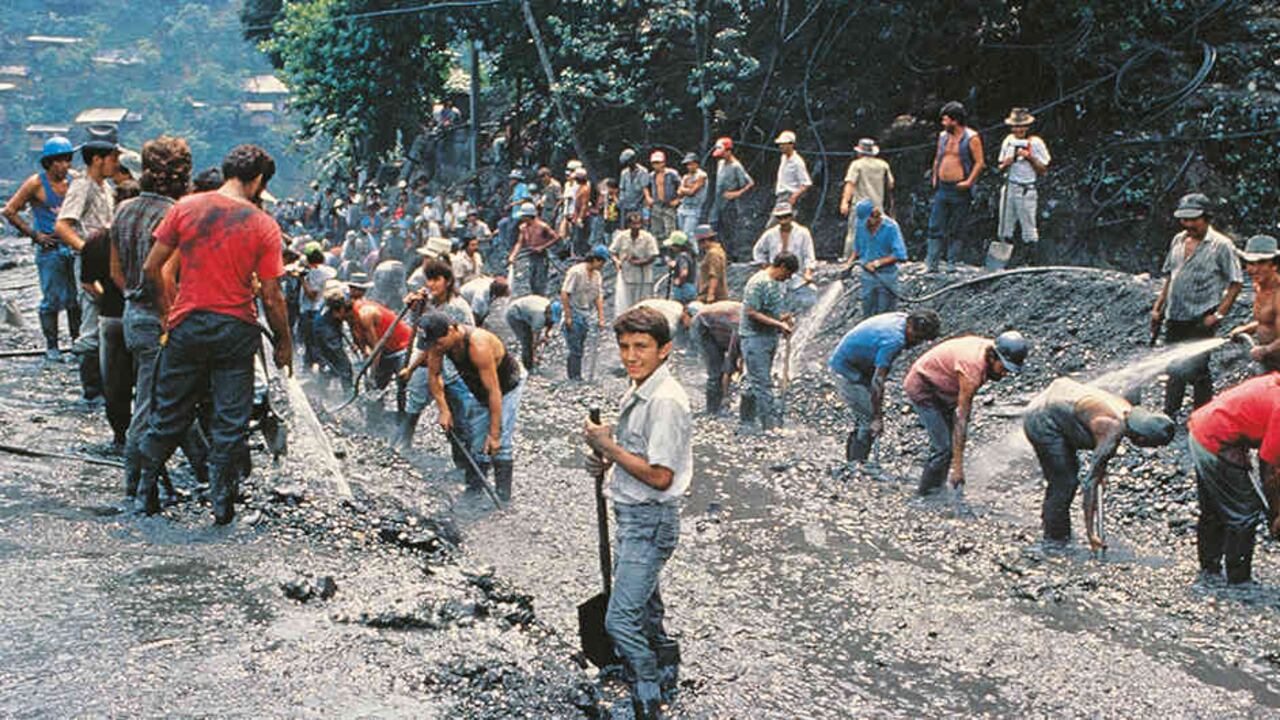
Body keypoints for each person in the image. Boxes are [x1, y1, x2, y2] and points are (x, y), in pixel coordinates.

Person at [133, 144, 292, 523]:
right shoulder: (262, 224)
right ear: (257, 181)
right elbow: (271, 295)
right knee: (229, 420)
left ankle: (144, 495)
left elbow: (152, 269)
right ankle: (222, 505)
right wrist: (284, 341)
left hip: (188, 325)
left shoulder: (185, 207)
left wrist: (166, 316)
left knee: (168, 412)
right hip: (236, 329)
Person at [583, 306, 692, 719]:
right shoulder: (640, 387)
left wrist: (608, 448)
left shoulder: (665, 401)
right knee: (646, 604)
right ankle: (666, 665)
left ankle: (647, 691)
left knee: (620, 621)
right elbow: (641, 452)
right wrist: (607, 459)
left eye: (642, 347)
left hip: (650, 518)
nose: (631, 356)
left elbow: (662, 476)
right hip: (633, 514)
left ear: (664, 350)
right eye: (625, 346)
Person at [110, 136, 207, 500]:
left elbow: (116, 271)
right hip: (160, 317)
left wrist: (134, 297)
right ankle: (134, 490)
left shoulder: (124, 209)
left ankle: (204, 470)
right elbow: (164, 273)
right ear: (183, 174)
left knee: (172, 398)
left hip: (132, 313)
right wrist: (168, 314)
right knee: (150, 408)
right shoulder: (177, 214)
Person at [1024, 378, 1174, 548]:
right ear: (1140, 438)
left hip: (1059, 403)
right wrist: (1091, 534)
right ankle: (1054, 540)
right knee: (1064, 482)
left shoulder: (1128, 410)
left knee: (1069, 472)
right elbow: (1090, 483)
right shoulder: (1112, 427)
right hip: (1041, 419)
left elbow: (1099, 465)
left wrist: (1101, 469)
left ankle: (1056, 531)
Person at [403, 312, 525, 501]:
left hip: (506, 386)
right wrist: (444, 410)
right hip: (478, 387)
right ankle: (474, 488)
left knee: (500, 440)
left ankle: (503, 496)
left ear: (452, 330)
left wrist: (493, 435)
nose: (435, 349)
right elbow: (434, 376)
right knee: (476, 437)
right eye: (432, 345)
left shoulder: (479, 346)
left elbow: (495, 392)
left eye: (438, 343)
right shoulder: (438, 343)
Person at [1150, 193, 1243, 417]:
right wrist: (1158, 307)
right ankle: (1169, 412)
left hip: (1202, 317)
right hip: (1175, 315)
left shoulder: (1221, 245)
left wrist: (1218, 315)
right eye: (1184, 219)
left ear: (1207, 217)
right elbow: (1171, 276)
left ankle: (1202, 415)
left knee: (1198, 369)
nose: (1188, 224)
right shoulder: (1178, 240)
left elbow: (1236, 283)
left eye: (1194, 219)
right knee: (1173, 365)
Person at [903, 331, 1028, 496]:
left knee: (948, 442)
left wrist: (957, 463)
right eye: (1004, 368)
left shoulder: (993, 349)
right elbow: (962, 420)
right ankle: (926, 495)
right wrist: (958, 469)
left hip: (944, 387)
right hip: (924, 387)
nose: (1005, 374)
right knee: (943, 448)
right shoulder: (972, 371)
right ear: (993, 357)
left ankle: (939, 487)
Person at [1187, 373, 1280, 585]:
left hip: (1201, 428)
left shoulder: (1273, 381)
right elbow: (1269, 467)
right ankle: (1239, 582)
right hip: (1217, 441)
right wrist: (1276, 512)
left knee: (1213, 508)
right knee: (1244, 512)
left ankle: (1209, 569)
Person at [55, 125, 122, 405]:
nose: (116, 164)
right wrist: (89, 251)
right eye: (113, 158)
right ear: (98, 159)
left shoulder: (105, 188)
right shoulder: (82, 186)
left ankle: (105, 386)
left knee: (105, 316)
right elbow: (62, 226)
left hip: (106, 260)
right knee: (92, 324)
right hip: (90, 262)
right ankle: (91, 391)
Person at [828, 310, 941, 463]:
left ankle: (856, 459)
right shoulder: (894, 341)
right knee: (868, 420)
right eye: (917, 338)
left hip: (859, 366)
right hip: (845, 370)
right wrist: (877, 417)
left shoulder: (902, 318)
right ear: (911, 327)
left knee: (866, 413)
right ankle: (856, 465)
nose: (916, 343)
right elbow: (878, 382)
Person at [2, 135, 78, 361]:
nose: (64, 166)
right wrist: (35, 235)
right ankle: (52, 345)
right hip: (50, 248)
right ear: (49, 163)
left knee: (75, 298)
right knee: (52, 298)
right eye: (59, 161)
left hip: (72, 244)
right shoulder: (36, 183)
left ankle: (77, 342)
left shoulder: (74, 181)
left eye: (67, 160)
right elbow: (9, 211)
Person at [400, 259, 477, 463]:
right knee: (414, 400)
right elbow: (420, 330)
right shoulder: (430, 302)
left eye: (437, 280)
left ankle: (463, 462)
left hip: (452, 369)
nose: (432, 284)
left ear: (448, 281)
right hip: (427, 360)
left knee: (457, 416)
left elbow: (467, 338)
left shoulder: (458, 307)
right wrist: (414, 309)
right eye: (429, 280)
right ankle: (402, 444)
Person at [328, 285, 413, 417]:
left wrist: (371, 373)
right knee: (375, 386)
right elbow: (360, 340)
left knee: (402, 384)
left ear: (343, 309)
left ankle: (403, 419)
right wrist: (364, 352)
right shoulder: (349, 318)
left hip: (401, 346)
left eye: (335, 311)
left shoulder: (365, 314)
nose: (334, 315)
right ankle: (374, 419)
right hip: (384, 349)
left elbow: (376, 349)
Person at [738, 253, 798, 431]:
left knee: (754, 379)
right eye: (788, 273)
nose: (788, 278)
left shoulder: (774, 285)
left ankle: (746, 420)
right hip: (754, 338)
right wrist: (779, 324)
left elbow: (770, 311)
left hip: (768, 337)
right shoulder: (759, 282)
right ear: (781, 266)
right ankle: (769, 426)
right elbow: (751, 312)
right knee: (762, 383)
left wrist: (784, 318)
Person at [927, 101, 985, 272]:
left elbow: (980, 162)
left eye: (946, 120)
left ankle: (953, 261)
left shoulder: (971, 137)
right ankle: (932, 263)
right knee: (935, 223)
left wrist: (969, 182)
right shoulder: (943, 137)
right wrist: (934, 176)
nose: (943, 124)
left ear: (955, 120)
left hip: (960, 188)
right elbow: (938, 157)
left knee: (957, 225)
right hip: (943, 187)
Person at [996, 108, 1051, 265]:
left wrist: (1030, 157)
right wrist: (1008, 161)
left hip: (1026, 189)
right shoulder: (1008, 141)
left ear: (1027, 126)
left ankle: (1031, 262)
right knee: (1004, 227)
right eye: (1015, 126)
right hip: (1009, 187)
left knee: (1028, 227)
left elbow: (1043, 169)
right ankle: (1003, 263)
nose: (1019, 129)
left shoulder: (1036, 143)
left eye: (1022, 126)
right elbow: (1000, 167)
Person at [844, 199, 908, 317]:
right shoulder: (860, 224)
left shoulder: (891, 227)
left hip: (887, 277)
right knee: (868, 310)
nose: (866, 223)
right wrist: (849, 264)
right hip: (867, 276)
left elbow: (900, 254)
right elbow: (857, 248)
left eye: (869, 219)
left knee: (885, 314)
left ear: (875, 214)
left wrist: (877, 263)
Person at [752, 203, 816, 313]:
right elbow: (758, 251)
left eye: (786, 216)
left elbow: (809, 255)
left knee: (805, 302)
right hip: (776, 278)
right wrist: (766, 267)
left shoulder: (802, 233)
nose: (783, 220)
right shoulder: (770, 234)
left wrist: (808, 272)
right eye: (780, 217)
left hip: (797, 277)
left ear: (791, 216)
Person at [1228, 235, 1280, 371]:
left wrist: (1266, 349)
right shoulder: (1259, 287)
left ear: (1274, 265)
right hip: (1270, 363)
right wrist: (1246, 329)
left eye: (1261, 263)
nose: (1254, 269)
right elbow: (1267, 321)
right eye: (1250, 263)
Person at [839, 138, 895, 258]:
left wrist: (845, 202)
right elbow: (890, 184)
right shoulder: (883, 165)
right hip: (877, 206)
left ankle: (848, 259)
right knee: (877, 232)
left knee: (854, 233)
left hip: (860, 205)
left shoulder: (856, 165)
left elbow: (850, 184)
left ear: (860, 152)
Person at [561, 245, 609, 381]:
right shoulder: (576, 272)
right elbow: (565, 293)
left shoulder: (597, 275)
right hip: (574, 311)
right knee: (574, 347)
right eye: (602, 262)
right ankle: (574, 377)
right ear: (595, 259)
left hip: (585, 312)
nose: (602, 266)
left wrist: (601, 317)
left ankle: (577, 375)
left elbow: (598, 296)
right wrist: (568, 316)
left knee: (580, 345)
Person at [688, 299, 742, 415]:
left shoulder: (750, 322)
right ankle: (712, 410)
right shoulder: (740, 329)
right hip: (702, 325)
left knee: (723, 369)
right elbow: (730, 365)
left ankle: (717, 404)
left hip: (717, 325)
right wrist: (726, 396)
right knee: (716, 371)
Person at [609, 211, 659, 315]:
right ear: (628, 225)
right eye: (633, 224)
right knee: (626, 303)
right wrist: (617, 261)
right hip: (627, 276)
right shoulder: (622, 236)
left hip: (644, 277)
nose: (636, 226)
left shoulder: (648, 237)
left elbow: (653, 255)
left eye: (638, 224)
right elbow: (612, 251)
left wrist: (639, 262)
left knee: (643, 304)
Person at [708, 137, 753, 250]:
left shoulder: (736, 166)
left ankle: (731, 256)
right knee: (713, 226)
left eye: (722, 153)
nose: (721, 156)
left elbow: (750, 183)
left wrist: (737, 193)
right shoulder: (720, 163)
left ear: (728, 151)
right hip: (718, 201)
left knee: (728, 230)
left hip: (730, 203)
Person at [506, 202, 560, 297]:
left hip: (541, 256)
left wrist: (542, 247)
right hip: (531, 255)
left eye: (523, 216)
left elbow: (556, 237)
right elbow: (519, 242)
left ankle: (541, 298)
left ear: (529, 216)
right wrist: (513, 255)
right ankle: (535, 297)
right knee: (532, 279)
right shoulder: (523, 227)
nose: (522, 218)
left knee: (540, 280)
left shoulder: (542, 226)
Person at [300, 244, 338, 372]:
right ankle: (310, 364)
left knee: (312, 341)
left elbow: (311, 295)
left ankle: (320, 368)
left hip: (312, 310)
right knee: (315, 341)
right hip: (321, 308)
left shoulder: (316, 273)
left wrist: (303, 281)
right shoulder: (325, 270)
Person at [505, 295, 561, 371]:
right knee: (527, 341)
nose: (552, 320)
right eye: (551, 317)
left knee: (530, 337)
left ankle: (530, 360)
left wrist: (546, 335)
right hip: (514, 313)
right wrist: (534, 356)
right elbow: (534, 342)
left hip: (527, 309)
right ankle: (528, 366)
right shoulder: (539, 317)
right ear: (548, 313)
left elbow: (550, 322)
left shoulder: (549, 309)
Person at [644, 151, 681, 245]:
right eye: (654, 163)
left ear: (664, 163)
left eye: (658, 163)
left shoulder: (672, 174)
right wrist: (648, 197)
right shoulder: (651, 175)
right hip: (656, 205)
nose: (656, 165)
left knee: (670, 230)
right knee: (656, 231)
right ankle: (659, 253)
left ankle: (671, 252)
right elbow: (645, 187)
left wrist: (678, 200)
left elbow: (681, 186)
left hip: (669, 205)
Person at [773, 130, 812, 216]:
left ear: (791, 145)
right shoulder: (783, 158)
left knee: (773, 225)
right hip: (781, 195)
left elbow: (806, 183)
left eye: (783, 144)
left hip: (788, 195)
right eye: (780, 144)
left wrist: (794, 196)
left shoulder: (797, 162)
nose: (781, 146)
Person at [676, 153, 708, 242]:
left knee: (689, 234)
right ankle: (684, 254)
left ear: (696, 164)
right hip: (683, 207)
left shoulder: (701, 175)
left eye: (691, 164)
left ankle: (694, 254)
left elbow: (692, 192)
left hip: (694, 208)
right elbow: (678, 192)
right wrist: (686, 188)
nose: (689, 166)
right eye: (687, 164)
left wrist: (685, 188)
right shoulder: (686, 176)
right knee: (682, 236)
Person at [695, 224, 728, 303]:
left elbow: (714, 275)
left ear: (705, 240)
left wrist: (710, 295)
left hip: (713, 296)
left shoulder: (713, 254)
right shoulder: (718, 250)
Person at [663, 231, 697, 304]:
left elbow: (684, 272)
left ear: (678, 246)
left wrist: (678, 281)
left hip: (684, 289)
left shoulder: (682, 257)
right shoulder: (689, 254)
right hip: (689, 286)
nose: (671, 248)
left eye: (672, 246)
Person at [617, 148, 650, 222]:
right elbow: (622, 189)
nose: (628, 164)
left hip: (638, 207)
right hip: (625, 207)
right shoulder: (624, 173)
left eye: (629, 161)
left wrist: (638, 205)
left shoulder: (643, 172)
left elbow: (644, 190)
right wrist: (621, 202)